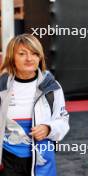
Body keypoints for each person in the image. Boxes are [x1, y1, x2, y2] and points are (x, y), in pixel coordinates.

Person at [0, 34, 70, 176]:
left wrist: (48, 128)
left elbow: (63, 121)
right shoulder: (1, 86)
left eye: (34, 53)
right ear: (12, 57)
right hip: (7, 161)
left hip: (42, 160)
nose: (29, 58)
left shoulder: (51, 87)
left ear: (40, 57)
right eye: (22, 54)